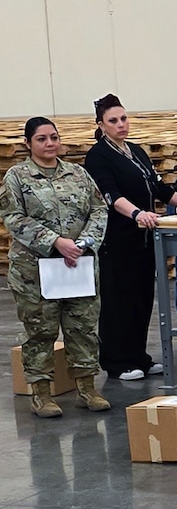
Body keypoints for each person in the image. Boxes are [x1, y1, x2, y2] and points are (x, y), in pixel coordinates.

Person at [1, 117, 111, 417]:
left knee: (82, 328)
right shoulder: (18, 177)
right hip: (35, 271)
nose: (50, 144)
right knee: (41, 331)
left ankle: (87, 388)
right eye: (41, 139)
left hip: (78, 266)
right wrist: (55, 242)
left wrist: (85, 242)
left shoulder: (77, 173)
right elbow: (13, 218)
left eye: (53, 137)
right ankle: (41, 394)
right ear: (28, 143)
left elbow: (99, 209)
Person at [83, 94, 177, 381]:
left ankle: (139, 356)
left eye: (124, 118)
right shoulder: (98, 156)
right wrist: (137, 214)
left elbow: (158, 187)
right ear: (101, 125)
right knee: (118, 300)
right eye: (113, 121)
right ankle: (116, 360)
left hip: (144, 239)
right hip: (118, 239)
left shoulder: (136, 150)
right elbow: (110, 194)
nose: (121, 124)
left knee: (141, 298)